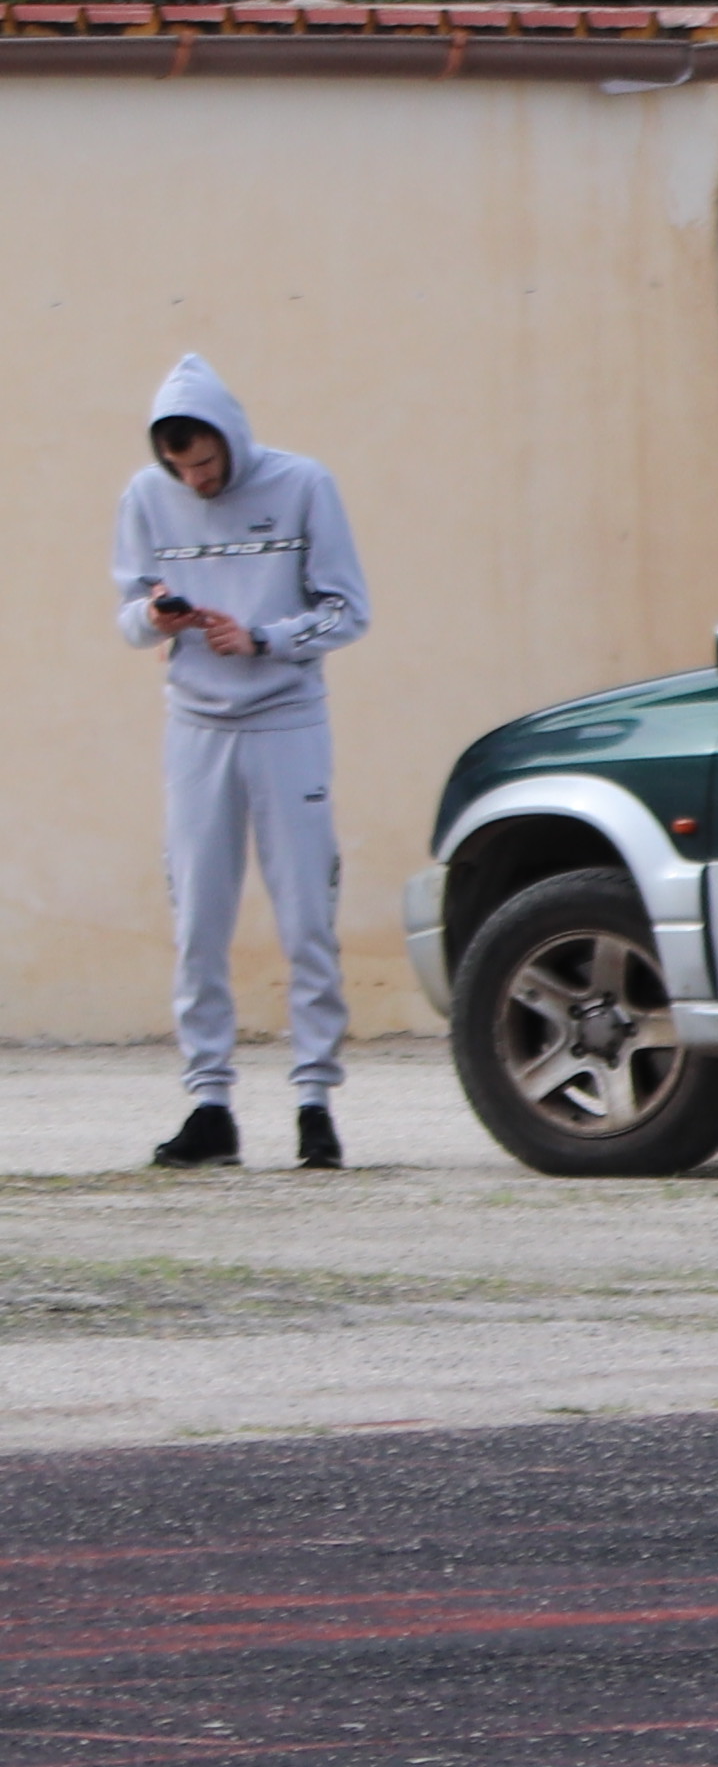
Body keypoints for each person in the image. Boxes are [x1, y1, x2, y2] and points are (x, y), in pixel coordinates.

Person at [115, 355, 367, 1169]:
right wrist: (156, 618)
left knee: (306, 916)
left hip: (288, 722)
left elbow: (348, 609)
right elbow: (127, 612)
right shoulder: (146, 496)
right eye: (180, 467)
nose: (195, 481)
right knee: (198, 918)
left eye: (205, 463)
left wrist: (263, 638)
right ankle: (210, 1106)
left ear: (230, 438)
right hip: (195, 728)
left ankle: (314, 1103)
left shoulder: (303, 484)